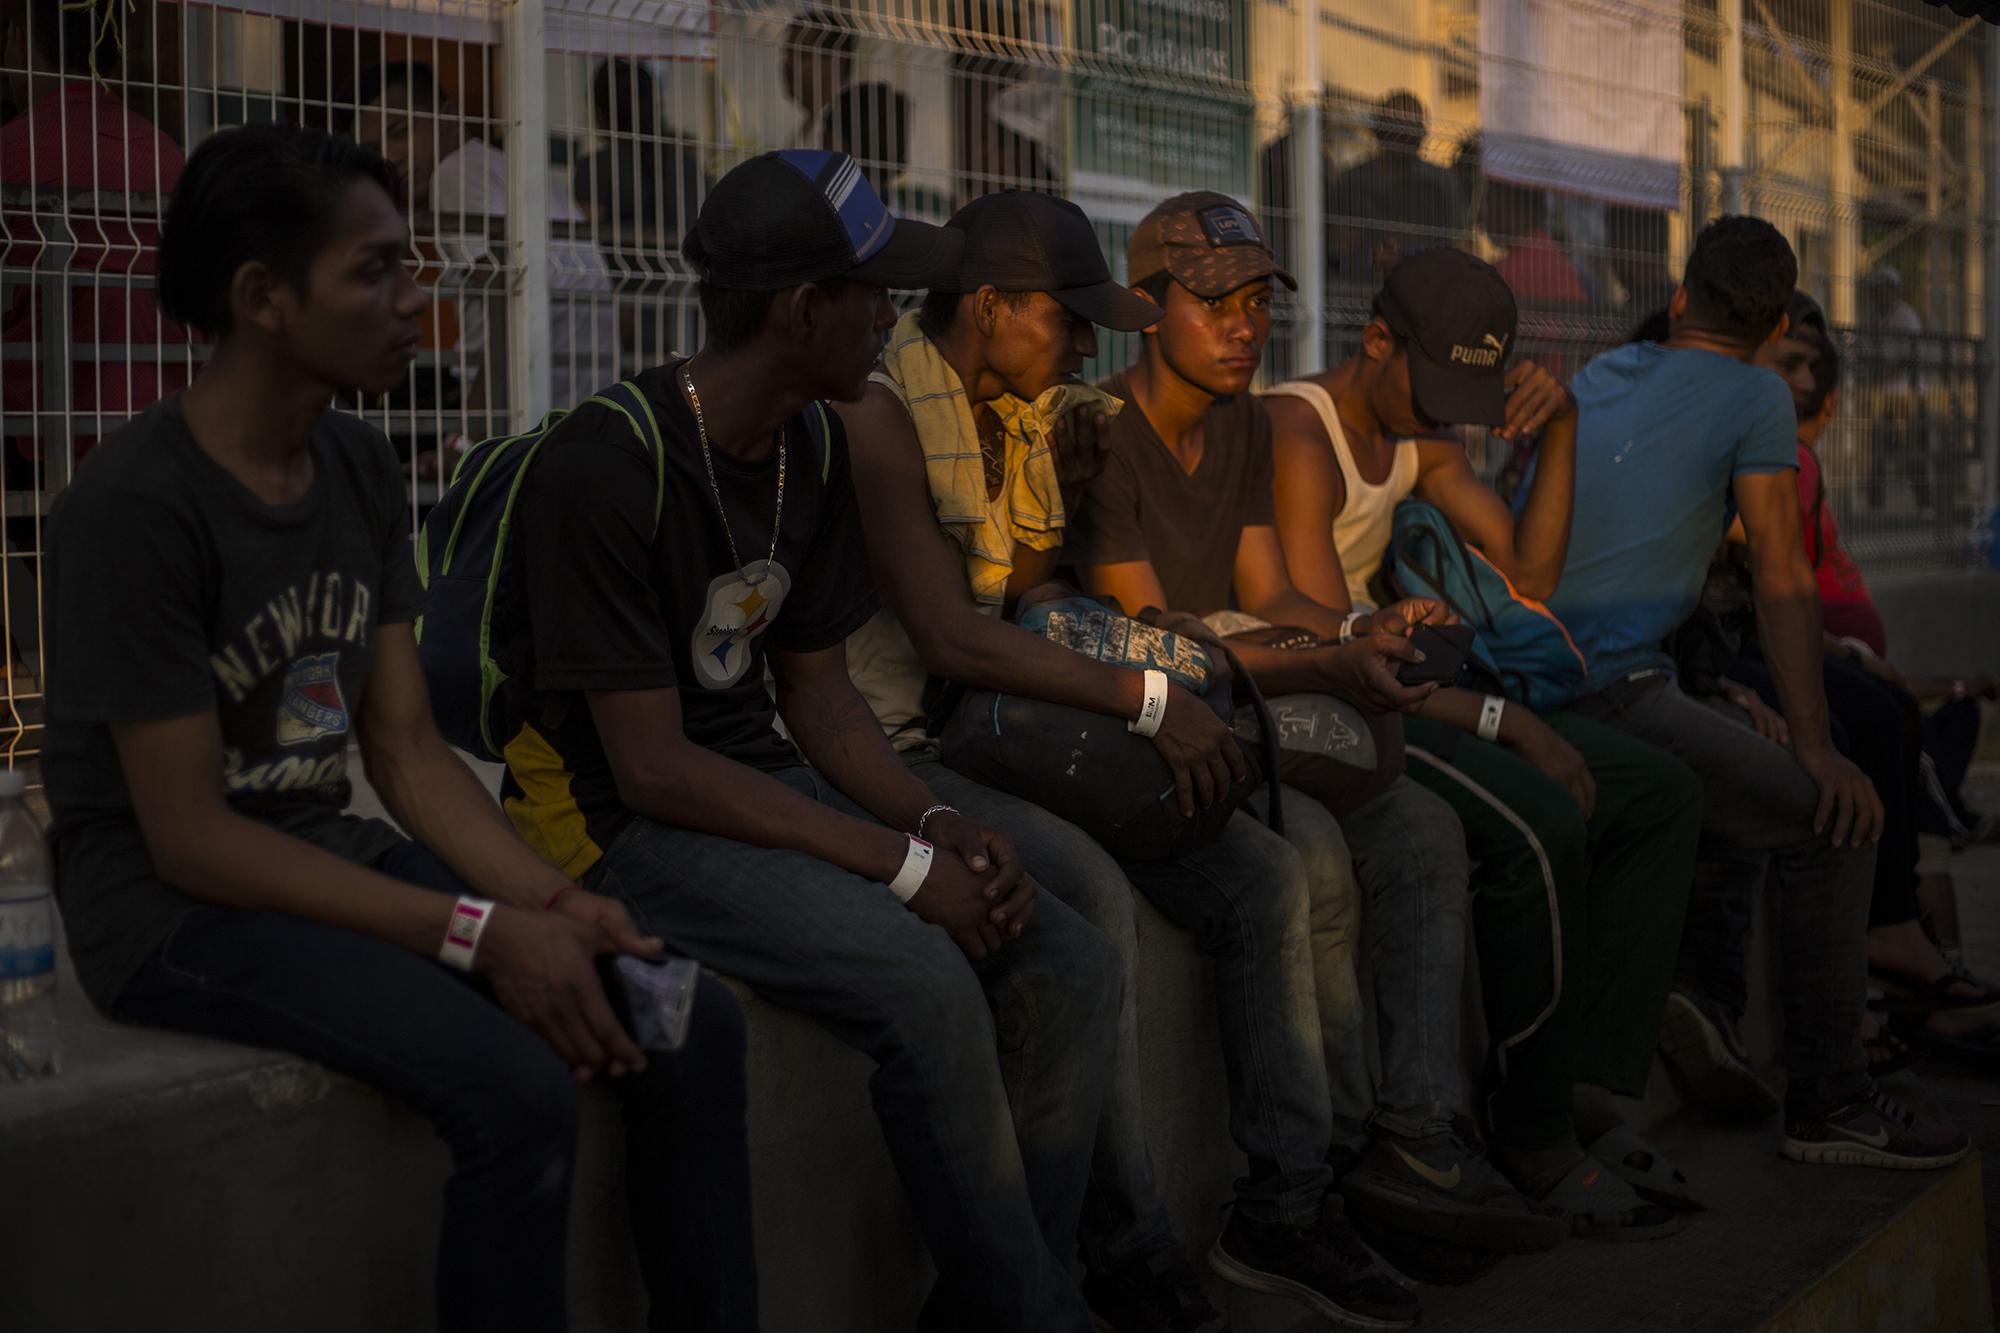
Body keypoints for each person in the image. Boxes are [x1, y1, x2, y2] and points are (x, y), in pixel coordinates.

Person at [42, 123, 757, 1333]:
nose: (416, 300)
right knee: (517, 1088)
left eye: (408, 264)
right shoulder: (133, 506)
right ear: (261, 297)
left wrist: (545, 901)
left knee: (684, 1013)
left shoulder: (361, 467)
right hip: (169, 912)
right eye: (373, 271)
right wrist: (478, 932)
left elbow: (407, 751)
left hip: (325, 857)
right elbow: (188, 838)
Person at [492, 149, 1120, 1333]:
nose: (891, 319)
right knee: (927, 982)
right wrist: (895, 868)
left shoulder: (813, 443)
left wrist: (933, 823)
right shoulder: (605, 460)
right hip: (617, 826)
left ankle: (1008, 1302)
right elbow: (653, 767)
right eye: (872, 294)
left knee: (1066, 962)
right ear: (799, 311)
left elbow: (821, 701)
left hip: (746, 781)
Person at [838, 188, 1421, 1332]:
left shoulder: (1020, 406)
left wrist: (1165, 676)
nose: (1084, 344)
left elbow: (1027, 591)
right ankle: (1124, 1243)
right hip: (912, 741)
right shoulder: (882, 414)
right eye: (1065, 319)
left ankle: (1288, 1203)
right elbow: (955, 638)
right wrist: (1152, 695)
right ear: (993, 305)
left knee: (1261, 870)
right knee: (1093, 904)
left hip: (1001, 712)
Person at [1065, 191, 1562, 1266]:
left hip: (1253, 704)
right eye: (1214, 304)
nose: (1244, 325)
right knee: (1321, 853)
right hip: (1168, 724)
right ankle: (1323, 1171)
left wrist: (1359, 625)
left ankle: (1416, 1138)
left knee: (1422, 828)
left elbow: (1269, 595)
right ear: (1145, 310)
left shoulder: (1244, 423)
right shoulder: (1104, 434)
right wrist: (1333, 658)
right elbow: (1163, 642)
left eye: (1254, 302)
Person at [1502, 215, 1966, 1168]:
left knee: (1731, 765)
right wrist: (1816, 745)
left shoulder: (1607, 370)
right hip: (1602, 685)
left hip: (1530, 664)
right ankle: (1831, 1097)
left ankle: (1709, 1005)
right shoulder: (1758, 396)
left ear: (1679, 302)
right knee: (1835, 816)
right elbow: (1784, 575)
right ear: (1767, 335)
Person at [1263, 247, 1702, 1237]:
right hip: (1336, 705)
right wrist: (1507, 721)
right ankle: (1532, 1128)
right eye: (1433, 389)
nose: (1445, 416)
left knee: (1657, 791)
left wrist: (1564, 428)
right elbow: (1342, 663)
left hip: (1404, 683)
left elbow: (1529, 574)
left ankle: (1585, 1081)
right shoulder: (1299, 430)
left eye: (1467, 394)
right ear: (1375, 341)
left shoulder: (1414, 427)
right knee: (1537, 817)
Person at [1725, 297, 2000, 1067]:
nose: (1804, 381)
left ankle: (1917, 974)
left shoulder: (1790, 459)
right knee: (1867, 744)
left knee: (1895, 745)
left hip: (1814, 659)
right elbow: (1763, 587)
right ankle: (1900, 977)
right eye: (1792, 364)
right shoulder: (1776, 459)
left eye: (1813, 368)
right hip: (1756, 664)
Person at [350, 61, 618, 441]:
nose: (392, 157)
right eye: (376, 149)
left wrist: (467, 442)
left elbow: (506, 309)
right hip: (575, 406)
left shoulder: (455, 175)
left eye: (402, 131)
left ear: (450, 118)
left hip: (521, 413)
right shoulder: (503, 168)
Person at [2, 0, 189, 465]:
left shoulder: (11, 153)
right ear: (116, 56)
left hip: (48, 451)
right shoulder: (172, 159)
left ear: (20, 43)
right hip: (176, 440)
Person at [1326, 92, 1469, 297]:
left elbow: (1460, 245)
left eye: (1413, 132)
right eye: (1398, 130)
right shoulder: (1353, 181)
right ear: (1379, 132)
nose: (1407, 140)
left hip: (1428, 295)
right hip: (1363, 294)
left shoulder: (1443, 182)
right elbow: (1337, 247)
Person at [782, 8, 912, 199]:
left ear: (837, 61)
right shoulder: (810, 126)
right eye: (787, 53)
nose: (787, 64)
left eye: (802, 54)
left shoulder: (854, 124)